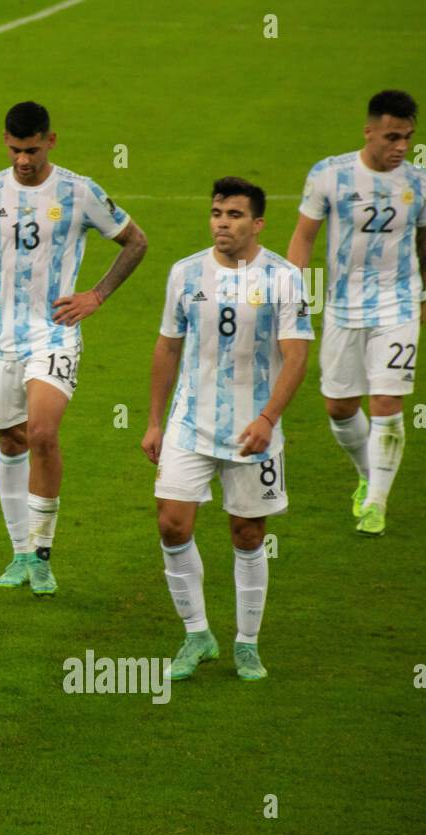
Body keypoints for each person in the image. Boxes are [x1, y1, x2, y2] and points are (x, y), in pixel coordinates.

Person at [0, 101, 148, 596]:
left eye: (33, 149)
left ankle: (43, 554)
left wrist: (97, 294)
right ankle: (21, 553)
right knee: (10, 441)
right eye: (16, 149)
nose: (24, 160)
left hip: (55, 331)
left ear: (51, 141)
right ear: (6, 142)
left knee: (42, 431)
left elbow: (136, 241)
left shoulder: (77, 191)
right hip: (0, 336)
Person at [141, 178, 313, 681]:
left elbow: (296, 355)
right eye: (217, 212)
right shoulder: (185, 273)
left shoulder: (282, 278)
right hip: (190, 423)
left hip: (253, 431)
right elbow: (167, 346)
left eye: (235, 215)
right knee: (172, 523)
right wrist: (154, 420)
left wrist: (267, 419)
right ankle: (197, 634)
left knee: (248, 533)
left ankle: (247, 643)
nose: (222, 222)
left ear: (258, 223)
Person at [287, 89, 426, 536]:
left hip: (399, 301)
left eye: (407, 138)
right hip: (343, 306)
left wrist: (422, 295)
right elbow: (304, 239)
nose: (401, 147)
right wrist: (296, 299)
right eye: (392, 136)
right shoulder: (329, 175)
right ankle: (368, 475)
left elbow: (423, 241)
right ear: (368, 132)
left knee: (387, 400)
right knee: (338, 405)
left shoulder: (418, 182)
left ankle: (376, 504)